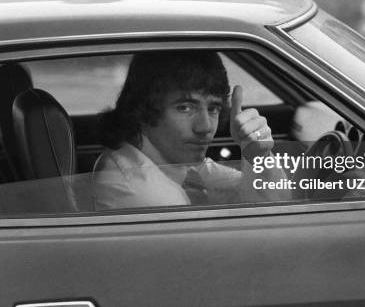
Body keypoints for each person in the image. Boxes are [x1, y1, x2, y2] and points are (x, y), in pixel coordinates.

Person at [92, 50, 287, 210]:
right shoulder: (148, 196)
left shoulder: (172, 163)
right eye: (185, 108)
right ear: (143, 110)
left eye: (213, 109)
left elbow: (276, 200)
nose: (205, 127)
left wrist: (259, 156)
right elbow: (270, 232)